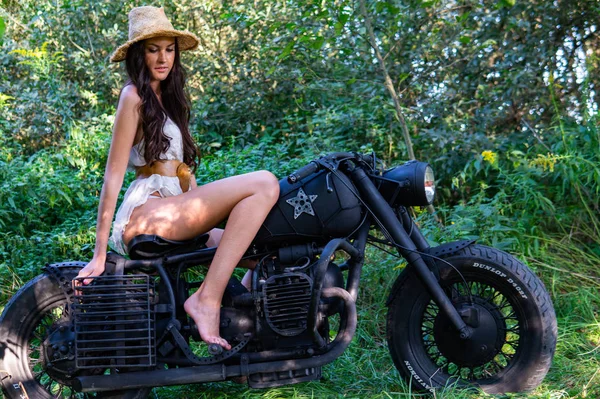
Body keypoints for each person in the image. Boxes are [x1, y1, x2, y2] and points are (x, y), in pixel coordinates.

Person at [74, 6, 279, 351]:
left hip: (175, 210)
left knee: (264, 254)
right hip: (148, 215)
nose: (163, 58)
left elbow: (183, 177)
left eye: (169, 49)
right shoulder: (133, 97)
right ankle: (205, 301)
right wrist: (97, 253)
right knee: (264, 182)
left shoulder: (166, 100)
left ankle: (250, 340)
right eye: (154, 49)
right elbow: (112, 177)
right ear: (139, 54)